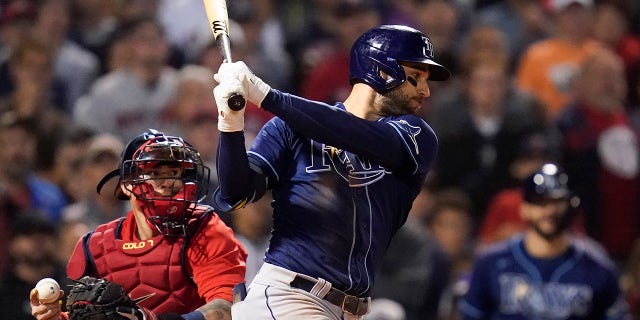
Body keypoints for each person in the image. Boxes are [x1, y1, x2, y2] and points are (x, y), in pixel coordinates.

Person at [212, 24, 450, 319]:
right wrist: (231, 122)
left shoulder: (417, 135)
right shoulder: (289, 127)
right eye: (415, 78)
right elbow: (236, 193)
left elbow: (355, 134)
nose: (426, 91)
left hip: (351, 309)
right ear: (382, 71)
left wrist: (266, 96)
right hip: (289, 297)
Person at [29, 129, 247, 320]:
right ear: (127, 185)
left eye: (174, 173)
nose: (168, 183)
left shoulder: (204, 227)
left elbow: (228, 311)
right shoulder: (96, 246)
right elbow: (84, 314)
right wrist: (56, 317)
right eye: (154, 173)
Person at [459, 163, 630, 319]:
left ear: (571, 206)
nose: (549, 210)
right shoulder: (491, 263)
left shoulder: (599, 268)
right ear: (525, 208)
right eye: (540, 202)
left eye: (557, 202)